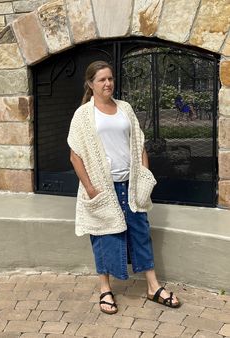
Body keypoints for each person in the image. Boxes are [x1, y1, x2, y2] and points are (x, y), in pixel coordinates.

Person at [67, 60, 180, 314]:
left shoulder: (125, 108)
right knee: (103, 236)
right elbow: (75, 155)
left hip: (131, 185)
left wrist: (145, 174)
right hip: (103, 189)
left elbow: (139, 143)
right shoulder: (84, 114)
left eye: (110, 78)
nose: (108, 83)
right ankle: (105, 289)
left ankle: (153, 286)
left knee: (141, 232)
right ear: (90, 84)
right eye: (101, 80)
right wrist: (91, 188)